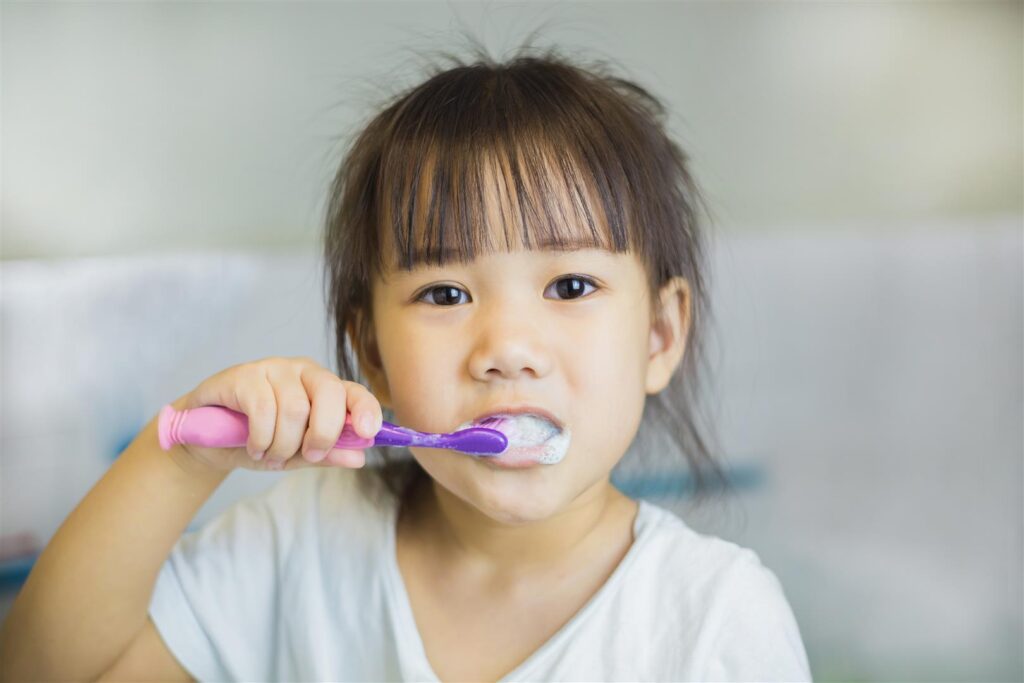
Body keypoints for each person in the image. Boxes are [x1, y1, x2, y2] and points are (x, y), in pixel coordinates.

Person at [0, 41, 811, 682]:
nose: (508, 350)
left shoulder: (715, 621)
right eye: (445, 295)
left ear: (659, 338)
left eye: (569, 283)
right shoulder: (301, 545)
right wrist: (180, 462)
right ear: (372, 356)